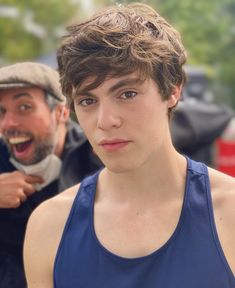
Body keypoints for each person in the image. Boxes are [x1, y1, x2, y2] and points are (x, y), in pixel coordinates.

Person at [24, 3, 235, 288]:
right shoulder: (49, 227)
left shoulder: (229, 212)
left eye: (127, 93)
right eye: (87, 101)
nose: (105, 121)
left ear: (173, 90)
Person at [0, 62, 102, 288]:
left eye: (24, 107)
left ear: (61, 112)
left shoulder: (97, 161)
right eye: (1, 111)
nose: (8, 124)